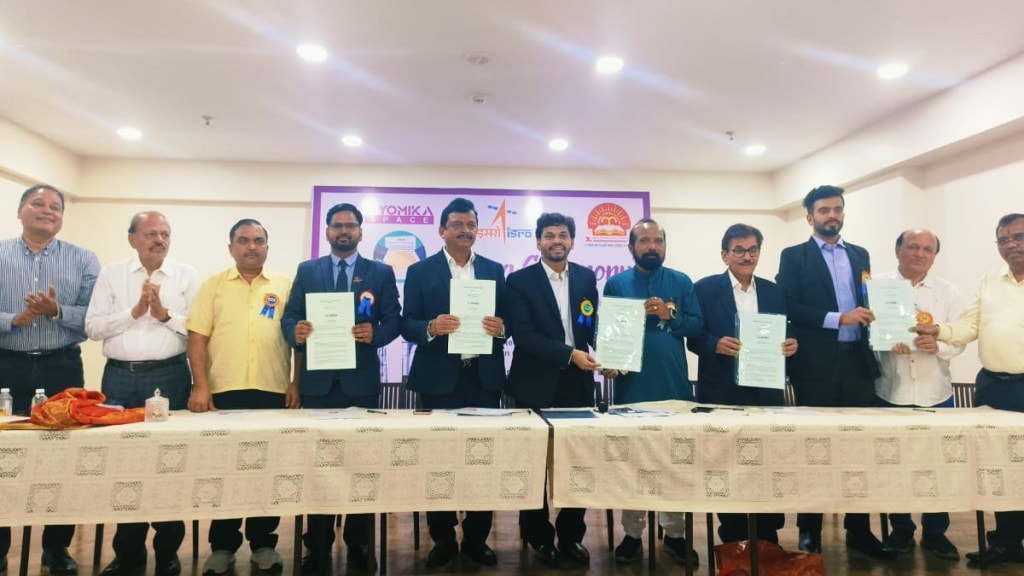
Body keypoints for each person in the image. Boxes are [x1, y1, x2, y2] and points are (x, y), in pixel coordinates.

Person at [280, 203, 401, 575]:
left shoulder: (380, 272)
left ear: (361, 232)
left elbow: (393, 320)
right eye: (337, 225)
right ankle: (316, 544)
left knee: (361, 465)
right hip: (317, 385)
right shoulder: (308, 270)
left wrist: (375, 334)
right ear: (327, 231)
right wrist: (296, 331)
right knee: (319, 466)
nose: (344, 231)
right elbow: (289, 316)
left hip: (360, 385)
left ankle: (359, 542)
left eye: (350, 225)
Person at [775, 185, 894, 559]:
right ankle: (809, 530)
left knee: (858, 450)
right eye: (824, 210)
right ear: (810, 216)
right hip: (815, 367)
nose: (832, 215)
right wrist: (837, 318)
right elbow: (788, 304)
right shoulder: (794, 256)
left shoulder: (860, 254)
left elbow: (869, 301)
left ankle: (858, 529)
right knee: (815, 449)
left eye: (837, 209)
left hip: (858, 363)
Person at [85, 212, 200, 576]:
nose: (159, 240)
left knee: (170, 464)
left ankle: (167, 552)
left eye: (165, 233)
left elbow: (198, 329)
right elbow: (93, 328)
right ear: (132, 239)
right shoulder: (111, 274)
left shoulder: (185, 275)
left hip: (170, 376)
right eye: (150, 233)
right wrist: (134, 312)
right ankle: (128, 552)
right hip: (120, 379)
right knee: (125, 466)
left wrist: (164, 315)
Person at [400, 197, 508, 569]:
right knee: (439, 461)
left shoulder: (494, 269)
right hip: (438, 380)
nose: (465, 230)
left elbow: (508, 321)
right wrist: (431, 327)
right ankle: (443, 538)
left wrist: (501, 327)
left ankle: (476, 538)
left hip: (483, 378)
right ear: (442, 230)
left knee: (482, 460)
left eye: (471, 225)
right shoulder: (420, 271)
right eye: (458, 224)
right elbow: (407, 323)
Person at [186, 219, 298, 575]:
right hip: (225, 392)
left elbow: (299, 337)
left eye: (259, 241)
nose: (252, 246)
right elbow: (197, 338)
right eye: (244, 240)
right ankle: (222, 546)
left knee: (268, 471)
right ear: (231, 247)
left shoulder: (285, 285)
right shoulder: (213, 286)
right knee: (224, 472)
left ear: (267, 247)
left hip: (272, 390)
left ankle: (264, 543)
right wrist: (200, 386)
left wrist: (296, 382)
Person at [0, 184, 100, 576]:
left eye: (55, 206)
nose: (47, 210)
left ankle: (57, 548)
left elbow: (95, 317)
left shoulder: (83, 258)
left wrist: (57, 310)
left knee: (62, 459)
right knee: (4, 458)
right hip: (6, 365)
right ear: (20, 210)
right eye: (38, 203)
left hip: (62, 367)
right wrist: (14, 320)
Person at [915, 213, 1024, 566]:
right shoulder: (989, 280)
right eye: (1004, 239)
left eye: (1019, 237)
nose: (1011, 245)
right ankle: (1007, 542)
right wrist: (939, 332)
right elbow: (969, 325)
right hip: (993, 387)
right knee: (1000, 470)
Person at [688, 223, 797, 545]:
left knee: (768, 463)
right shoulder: (704, 289)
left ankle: (768, 536)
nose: (746, 256)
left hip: (766, 392)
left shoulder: (775, 291)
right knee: (727, 465)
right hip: (722, 391)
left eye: (752, 250)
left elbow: (788, 331)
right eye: (739, 250)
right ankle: (733, 535)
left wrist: (792, 343)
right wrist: (714, 344)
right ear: (725, 255)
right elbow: (693, 336)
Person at [603, 218, 702, 567]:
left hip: (674, 387)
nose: (652, 246)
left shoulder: (681, 282)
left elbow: (696, 326)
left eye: (658, 240)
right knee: (635, 463)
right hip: (632, 388)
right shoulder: (616, 284)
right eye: (644, 241)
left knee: (675, 463)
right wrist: (635, 315)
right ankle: (632, 534)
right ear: (631, 247)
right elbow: (609, 332)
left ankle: (675, 534)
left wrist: (669, 316)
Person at [505, 213, 599, 568]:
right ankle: (539, 537)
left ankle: (571, 536)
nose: (556, 240)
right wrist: (570, 354)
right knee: (531, 466)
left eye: (563, 235)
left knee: (577, 463)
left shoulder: (586, 278)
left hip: (577, 384)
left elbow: (589, 325)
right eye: (549, 235)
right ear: (538, 242)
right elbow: (524, 336)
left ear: (572, 241)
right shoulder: (519, 281)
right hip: (533, 384)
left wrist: (611, 354)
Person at [873, 229, 965, 560]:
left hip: (935, 394)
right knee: (893, 466)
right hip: (890, 391)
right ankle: (900, 529)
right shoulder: (877, 287)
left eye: (928, 249)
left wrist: (938, 346)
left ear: (934, 256)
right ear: (897, 250)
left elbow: (960, 337)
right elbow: (865, 331)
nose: (920, 253)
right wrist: (883, 340)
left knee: (937, 466)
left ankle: (936, 532)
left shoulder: (948, 291)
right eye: (912, 246)